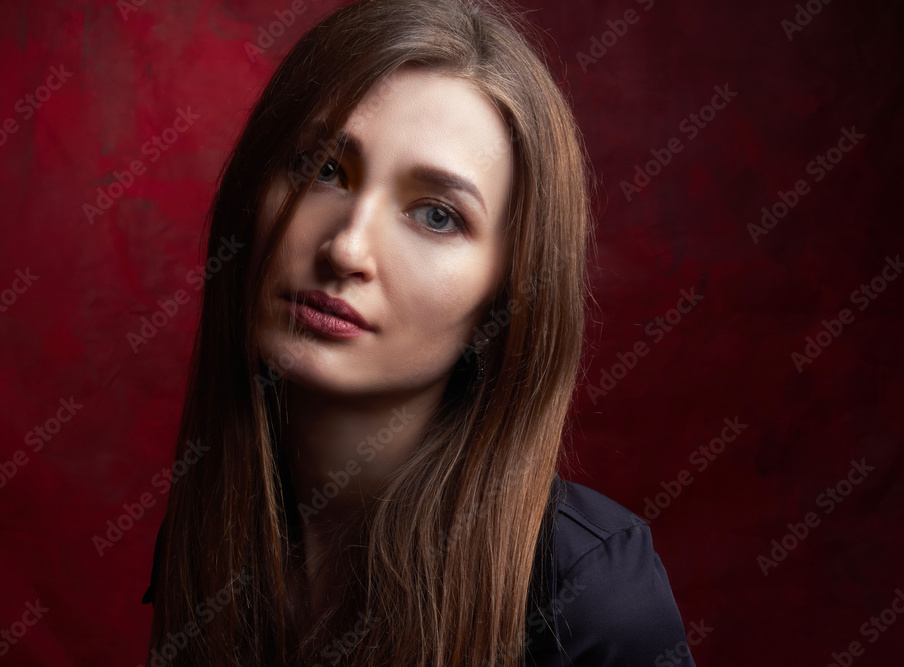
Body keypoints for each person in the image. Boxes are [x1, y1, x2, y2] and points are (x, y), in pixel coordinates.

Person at [142, 0, 697, 665]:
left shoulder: (590, 593)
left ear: (507, 295)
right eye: (323, 169)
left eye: (436, 215)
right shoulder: (217, 526)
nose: (347, 248)